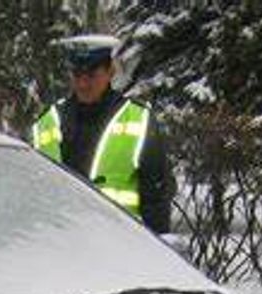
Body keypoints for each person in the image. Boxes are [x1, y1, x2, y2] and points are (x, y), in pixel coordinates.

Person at [31, 34, 176, 234]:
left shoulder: (138, 119)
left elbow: (156, 197)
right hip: (60, 242)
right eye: (77, 76)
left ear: (111, 72)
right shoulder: (47, 122)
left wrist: (157, 248)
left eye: (91, 76)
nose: (83, 84)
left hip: (120, 244)